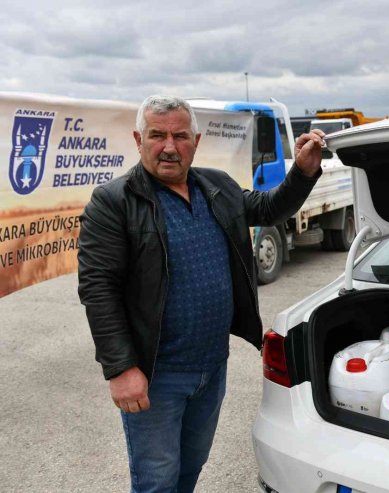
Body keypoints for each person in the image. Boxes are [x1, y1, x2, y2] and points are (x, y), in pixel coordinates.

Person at [77, 95, 324, 492]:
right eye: (157, 135)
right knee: (157, 479)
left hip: (211, 367)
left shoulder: (217, 186)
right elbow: (98, 288)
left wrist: (303, 172)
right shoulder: (114, 202)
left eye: (180, 135)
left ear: (196, 140)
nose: (169, 146)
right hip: (157, 375)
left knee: (191, 467)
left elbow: (268, 209)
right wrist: (121, 369)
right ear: (139, 140)